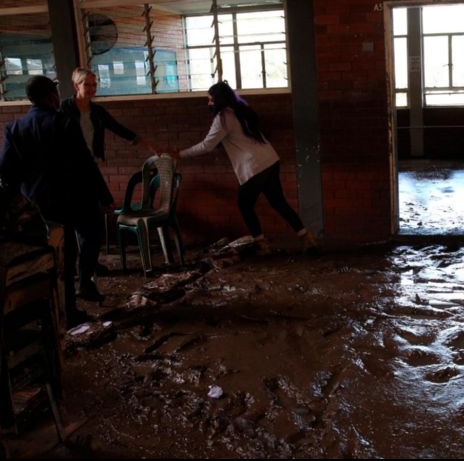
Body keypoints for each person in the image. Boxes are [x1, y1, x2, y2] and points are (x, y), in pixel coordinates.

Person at [0, 76, 113, 328]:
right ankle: (77, 298)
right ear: (51, 96)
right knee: (90, 234)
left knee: (56, 257)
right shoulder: (63, 122)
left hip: (39, 205)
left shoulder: (14, 129)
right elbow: (86, 164)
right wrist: (104, 196)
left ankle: (65, 306)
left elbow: (6, 172)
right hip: (73, 199)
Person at [170, 81, 317, 253]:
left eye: (210, 100)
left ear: (219, 100)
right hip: (270, 160)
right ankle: (307, 237)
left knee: (244, 204)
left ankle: (262, 244)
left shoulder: (223, 118)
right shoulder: (241, 109)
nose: (208, 103)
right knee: (278, 202)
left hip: (254, 166)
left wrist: (179, 154)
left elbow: (207, 146)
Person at [60, 68, 159, 284]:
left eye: (94, 85)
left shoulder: (97, 112)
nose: (92, 89)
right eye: (87, 84)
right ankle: (84, 267)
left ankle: (89, 262)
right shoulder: (65, 109)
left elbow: (120, 129)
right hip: (71, 170)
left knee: (92, 215)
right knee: (83, 217)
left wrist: (150, 145)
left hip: (91, 166)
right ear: (76, 85)